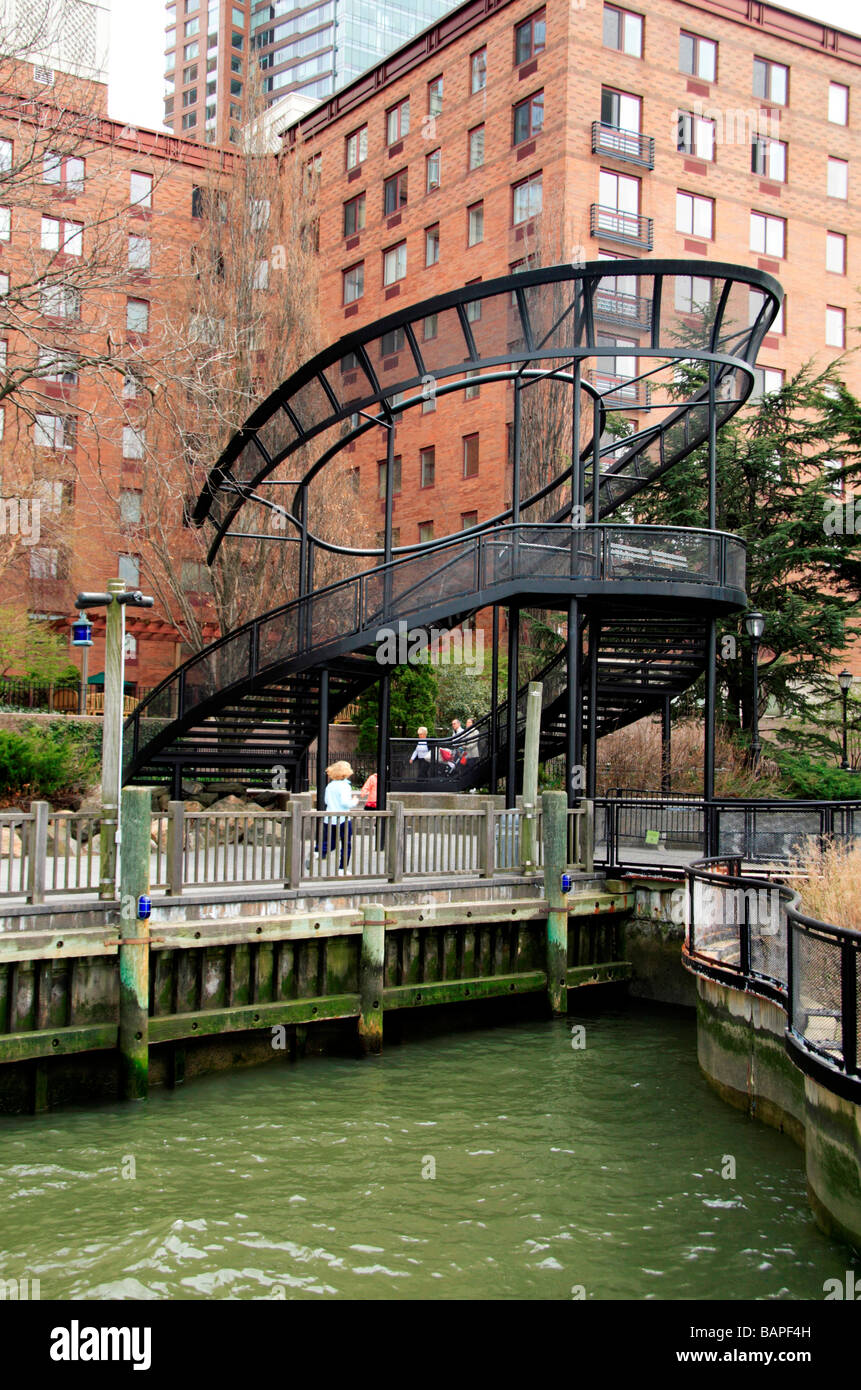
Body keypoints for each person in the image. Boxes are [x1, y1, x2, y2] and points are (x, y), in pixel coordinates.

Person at [320, 760, 356, 870]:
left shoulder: (330, 786)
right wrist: (354, 801)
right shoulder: (345, 786)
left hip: (329, 818)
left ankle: (318, 852)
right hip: (343, 818)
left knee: (330, 842)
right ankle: (342, 868)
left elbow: (326, 801)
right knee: (346, 845)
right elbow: (345, 802)